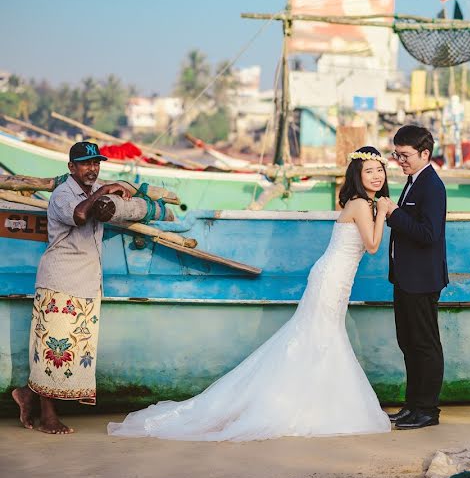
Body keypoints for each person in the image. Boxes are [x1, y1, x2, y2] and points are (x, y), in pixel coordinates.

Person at [107, 147, 392, 441]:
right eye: (368, 171)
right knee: (318, 336)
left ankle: (315, 399)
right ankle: (301, 404)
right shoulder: (361, 204)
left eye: (379, 170)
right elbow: (371, 245)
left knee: (321, 336)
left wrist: (380, 210)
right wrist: (383, 212)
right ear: (357, 176)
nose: (376, 176)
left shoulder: (365, 204)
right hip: (331, 277)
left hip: (337, 278)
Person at [11, 141, 131, 434]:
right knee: (54, 350)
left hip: (87, 281)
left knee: (72, 351)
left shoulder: (95, 187)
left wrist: (122, 188)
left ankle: (27, 394)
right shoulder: (63, 194)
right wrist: (104, 191)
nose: (93, 169)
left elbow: (122, 191)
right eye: (86, 164)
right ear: (71, 168)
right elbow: (79, 215)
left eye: (96, 163)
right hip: (60, 282)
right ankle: (48, 416)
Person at [382, 125, 448, 430]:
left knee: (425, 344)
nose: (400, 160)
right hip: (406, 277)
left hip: (422, 279)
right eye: (397, 154)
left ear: (425, 153)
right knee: (408, 342)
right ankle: (412, 405)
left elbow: (429, 233)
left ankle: (427, 409)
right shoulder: (412, 181)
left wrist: (394, 215)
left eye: (405, 155)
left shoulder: (432, 186)